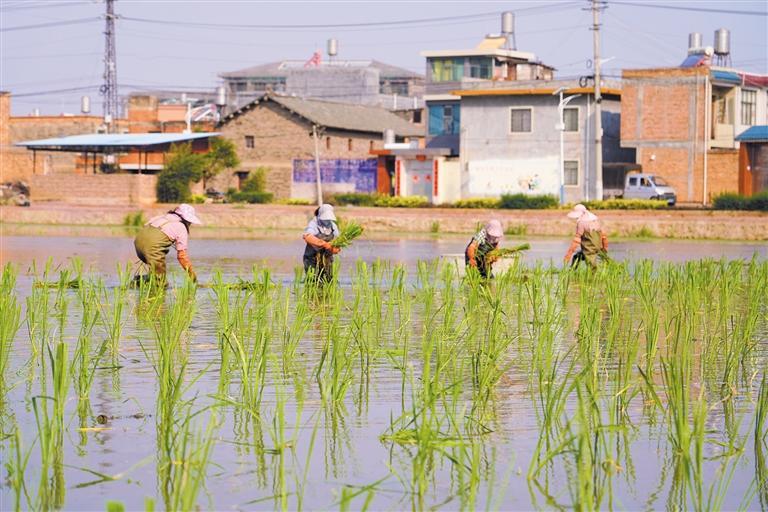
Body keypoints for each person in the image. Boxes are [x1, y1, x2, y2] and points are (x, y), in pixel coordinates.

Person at [134, 203, 201, 282]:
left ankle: (140, 282)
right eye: (190, 222)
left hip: (138, 245)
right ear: (186, 220)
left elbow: (146, 228)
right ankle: (138, 282)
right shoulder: (181, 227)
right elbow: (182, 257)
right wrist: (193, 277)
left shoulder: (161, 217)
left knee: (155, 274)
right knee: (160, 284)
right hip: (152, 249)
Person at [563, 203, 609, 269]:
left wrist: (568, 255)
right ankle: (572, 273)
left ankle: (592, 277)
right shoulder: (596, 220)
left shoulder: (581, 222)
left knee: (592, 269)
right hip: (597, 248)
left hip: (589, 250)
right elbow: (604, 236)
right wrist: (604, 249)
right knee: (577, 257)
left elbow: (576, 240)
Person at [302, 203, 340, 279]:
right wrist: (324, 244)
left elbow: (338, 244)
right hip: (312, 258)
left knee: (328, 281)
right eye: (325, 218)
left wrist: (334, 249)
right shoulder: (314, 223)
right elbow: (307, 237)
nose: (327, 221)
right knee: (312, 281)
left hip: (327, 259)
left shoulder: (333, 226)